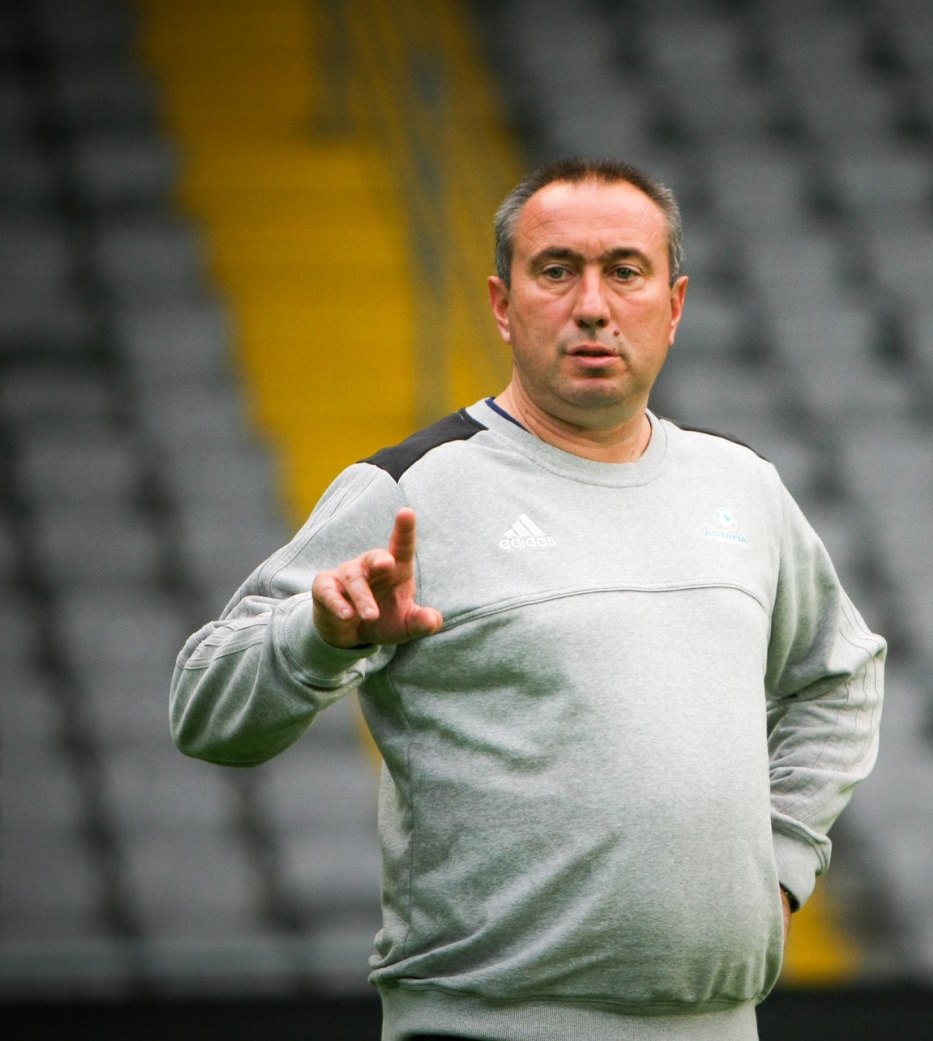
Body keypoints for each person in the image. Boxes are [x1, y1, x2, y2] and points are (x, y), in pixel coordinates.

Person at [170, 157, 884, 1041]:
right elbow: (203, 709)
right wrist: (316, 639)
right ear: (503, 306)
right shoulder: (413, 489)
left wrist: (782, 861)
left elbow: (839, 677)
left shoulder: (742, 485)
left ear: (674, 306)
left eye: (625, 271)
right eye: (556, 271)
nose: (593, 305)